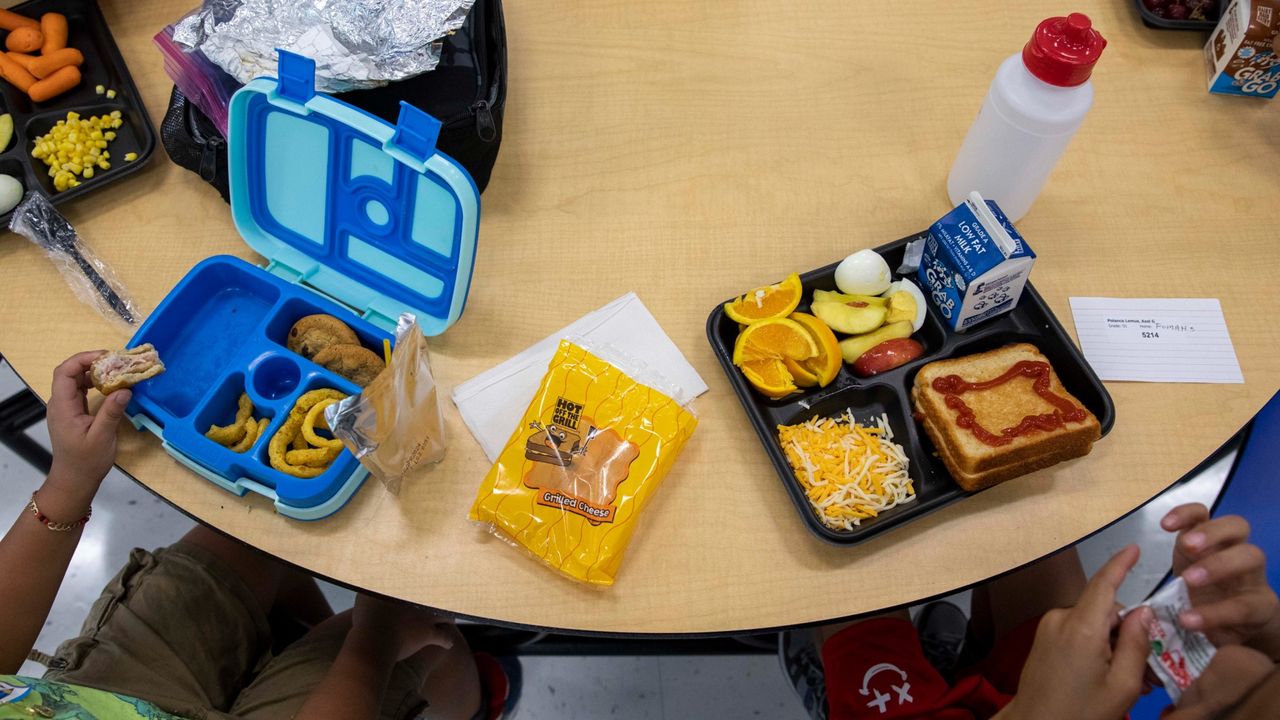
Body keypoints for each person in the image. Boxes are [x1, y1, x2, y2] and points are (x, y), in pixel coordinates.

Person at [0, 351, 516, 719]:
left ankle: (295, 646)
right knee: (426, 633)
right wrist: (372, 645)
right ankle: (471, 705)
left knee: (246, 535)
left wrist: (70, 480)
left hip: (91, 700)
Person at [805, 500, 1280, 719]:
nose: (1233, 662)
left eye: (1222, 715)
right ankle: (968, 665)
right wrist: (1264, 635)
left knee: (844, 544)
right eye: (1270, 676)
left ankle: (834, 677)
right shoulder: (1245, 658)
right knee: (1025, 508)